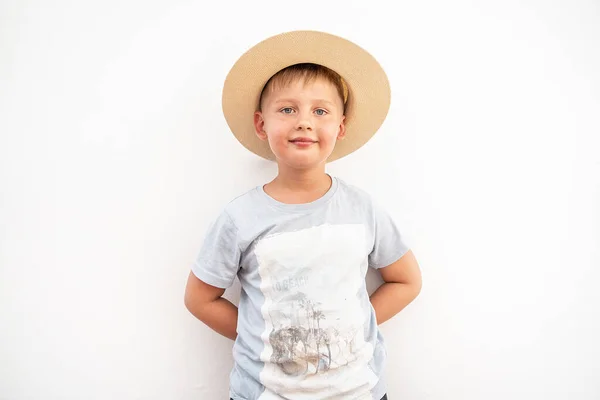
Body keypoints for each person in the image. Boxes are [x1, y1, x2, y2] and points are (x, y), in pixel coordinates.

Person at [184, 30, 422, 400]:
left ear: (340, 128)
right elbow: (199, 299)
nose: (304, 121)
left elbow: (406, 281)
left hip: (358, 391)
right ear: (262, 124)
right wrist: (267, 333)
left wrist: (348, 327)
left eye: (321, 111)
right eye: (287, 109)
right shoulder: (240, 217)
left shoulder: (363, 209)